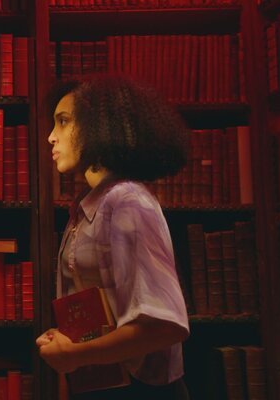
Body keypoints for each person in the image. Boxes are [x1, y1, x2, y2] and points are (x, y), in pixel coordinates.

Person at [36, 74, 191, 400]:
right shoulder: (87, 206)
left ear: (99, 126)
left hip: (142, 392)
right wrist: (68, 340)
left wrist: (75, 355)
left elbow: (164, 324)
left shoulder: (126, 202)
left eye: (63, 121)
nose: (51, 137)